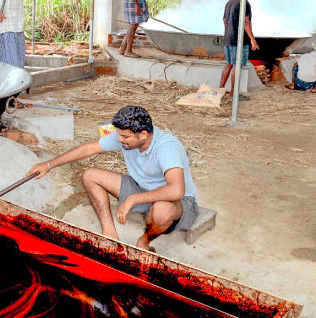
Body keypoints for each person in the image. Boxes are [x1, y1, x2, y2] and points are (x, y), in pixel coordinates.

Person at [27, 105, 198, 252]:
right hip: (143, 188)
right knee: (90, 175)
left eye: (124, 136)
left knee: (161, 211)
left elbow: (176, 190)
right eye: (119, 134)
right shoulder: (128, 136)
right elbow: (89, 149)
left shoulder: (167, 148)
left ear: (143, 135)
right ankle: (109, 232)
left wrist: (133, 199)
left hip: (178, 201)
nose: (119, 139)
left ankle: (144, 242)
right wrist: (48, 165)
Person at [220, 0, 259, 95]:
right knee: (237, 66)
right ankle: (234, 93)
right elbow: (246, 22)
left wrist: (229, 31)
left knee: (229, 64)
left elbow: (225, 20)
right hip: (238, 40)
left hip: (228, 39)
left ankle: (220, 88)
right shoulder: (244, 4)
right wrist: (252, 39)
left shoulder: (230, 2)